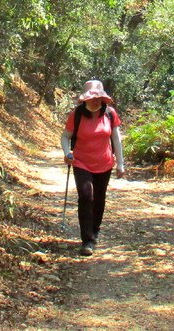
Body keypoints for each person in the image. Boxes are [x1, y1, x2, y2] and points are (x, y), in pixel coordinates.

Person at [60, 79, 125, 256]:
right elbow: (66, 136)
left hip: (104, 163)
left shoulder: (110, 114)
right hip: (81, 161)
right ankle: (87, 240)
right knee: (86, 196)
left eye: (99, 97)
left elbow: (116, 140)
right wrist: (67, 153)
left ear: (103, 98)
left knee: (99, 198)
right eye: (92, 97)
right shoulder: (77, 114)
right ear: (85, 99)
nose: (96, 100)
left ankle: (95, 230)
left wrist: (120, 163)